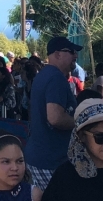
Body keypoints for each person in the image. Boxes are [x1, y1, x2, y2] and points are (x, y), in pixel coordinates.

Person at [25, 37, 80, 193]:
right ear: (57, 54)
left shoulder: (44, 75)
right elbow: (55, 117)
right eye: (71, 52)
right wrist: (81, 123)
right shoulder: (56, 78)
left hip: (41, 155)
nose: (75, 56)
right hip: (50, 159)